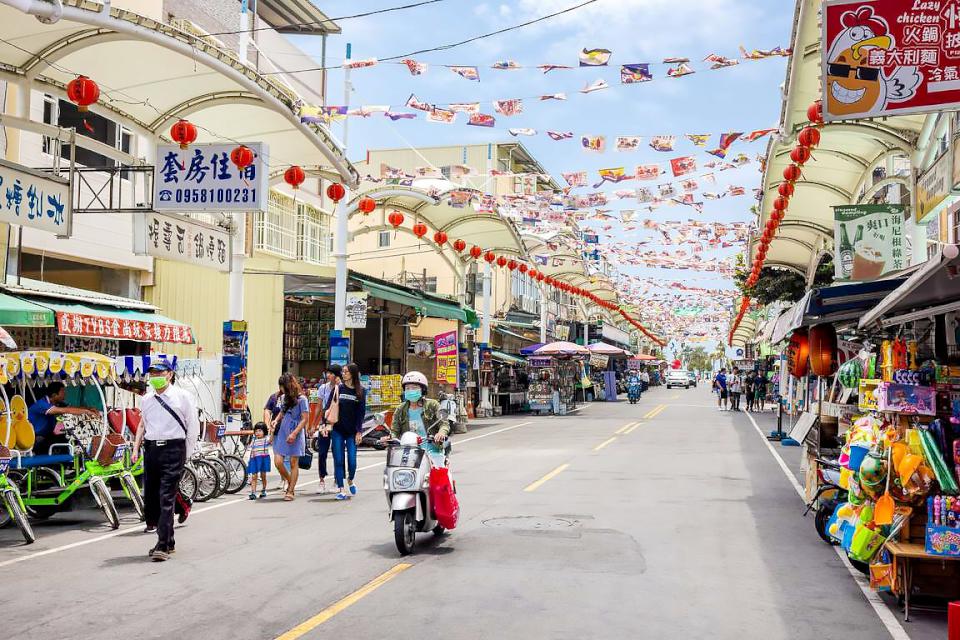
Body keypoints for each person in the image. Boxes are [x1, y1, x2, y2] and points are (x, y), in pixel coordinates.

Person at [131, 358, 199, 562]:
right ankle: (169, 541)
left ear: (169, 374)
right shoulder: (147, 399)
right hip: (152, 449)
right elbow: (144, 425)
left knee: (166, 497)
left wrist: (185, 453)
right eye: (152, 374)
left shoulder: (183, 397)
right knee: (152, 496)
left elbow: (193, 428)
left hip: (174, 448)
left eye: (160, 373)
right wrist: (137, 448)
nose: (156, 377)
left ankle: (161, 544)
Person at [384, 371, 450, 466]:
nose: (410, 390)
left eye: (414, 388)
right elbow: (395, 430)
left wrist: (441, 433)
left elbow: (444, 423)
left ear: (422, 390)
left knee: (439, 475)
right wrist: (391, 438)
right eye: (407, 388)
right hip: (408, 453)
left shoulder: (432, 405)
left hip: (431, 451)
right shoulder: (400, 409)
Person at [328, 362, 366, 501]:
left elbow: (361, 413)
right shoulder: (338, 388)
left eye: (346, 372)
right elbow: (329, 406)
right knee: (338, 460)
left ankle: (350, 479)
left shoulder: (360, 391)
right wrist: (325, 426)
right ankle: (341, 489)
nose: (343, 374)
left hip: (351, 431)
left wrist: (359, 431)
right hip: (338, 429)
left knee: (352, 461)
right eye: (342, 372)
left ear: (353, 374)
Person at [28, 381, 99, 454]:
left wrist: (89, 409)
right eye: (62, 393)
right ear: (54, 395)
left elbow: (71, 408)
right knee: (63, 441)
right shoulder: (42, 404)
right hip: (36, 437)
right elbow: (65, 410)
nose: (65, 395)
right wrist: (86, 412)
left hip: (48, 435)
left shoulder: (56, 403)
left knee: (69, 438)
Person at [271, 375, 308, 501]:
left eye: (282, 386)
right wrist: (275, 421)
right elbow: (282, 412)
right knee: (278, 462)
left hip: (295, 433)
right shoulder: (284, 398)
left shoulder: (302, 399)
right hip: (283, 431)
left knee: (293, 462)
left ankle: (290, 490)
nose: (281, 389)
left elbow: (305, 419)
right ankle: (290, 480)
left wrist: (294, 433)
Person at [311, 365, 341, 494]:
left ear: (336, 375)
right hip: (325, 422)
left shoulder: (342, 388)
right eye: (327, 373)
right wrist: (313, 424)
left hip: (338, 423)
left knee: (337, 452)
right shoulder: (323, 388)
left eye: (330, 373)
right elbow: (318, 407)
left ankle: (336, 480)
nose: (328, 375)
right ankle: (322, 480)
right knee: (322, 452)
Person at [247, 422, 271, 500]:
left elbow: (271, 440)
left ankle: (263, 490)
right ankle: (253, 492)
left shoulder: (266, 439)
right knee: (254, 476)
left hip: (263, 459)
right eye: (256, 431)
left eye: (260, 431)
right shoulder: (253, 440)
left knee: (263, 476)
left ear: (264, 431)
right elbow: (250, 448)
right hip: (254, 459)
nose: (257, 433)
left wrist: (273, 431)